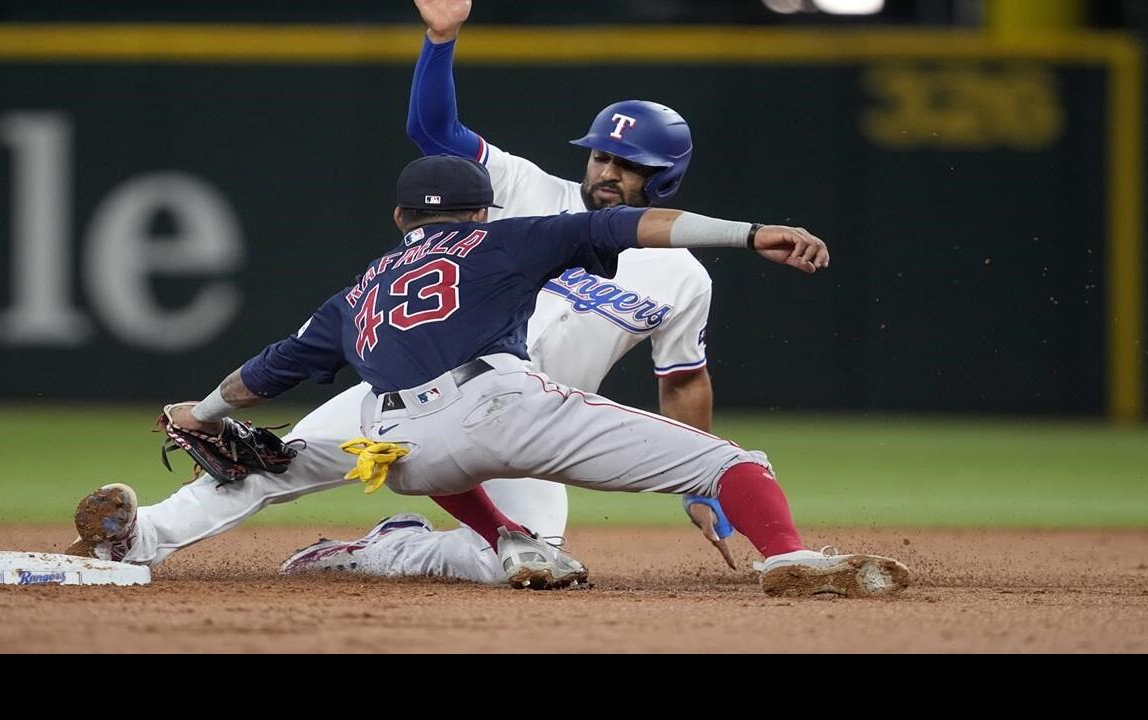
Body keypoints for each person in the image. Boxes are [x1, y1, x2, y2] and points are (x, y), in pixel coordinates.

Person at [79, 153, 908, 598]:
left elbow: (272, 370)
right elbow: (627, 221)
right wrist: (749, 231)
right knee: (730, 463)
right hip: (500, 408)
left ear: (400, 219)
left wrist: (202, 409)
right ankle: (784, 559)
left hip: (394, 444)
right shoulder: (510, 238)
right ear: (481, 211)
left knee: (270, 459)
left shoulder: (360, 287)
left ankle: (143, 536)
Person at [278, 0, 762, 582]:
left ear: (663, 178)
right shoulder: (522, 187)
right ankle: (147, 530)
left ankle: (385, 548)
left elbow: (683, 380)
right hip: (426, 392)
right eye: (600, 155)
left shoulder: (684, 277)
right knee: (279, 464)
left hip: (537, 428)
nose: (606, 170)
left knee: (529, 558)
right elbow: (433, 130)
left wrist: (697, 485)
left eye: (627, 164)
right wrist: (441, 39)